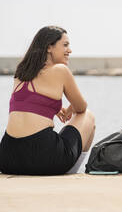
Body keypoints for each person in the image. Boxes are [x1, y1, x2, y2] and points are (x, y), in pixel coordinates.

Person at [0, 26, 95, 175]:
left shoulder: (21, 72)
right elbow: (81, 107)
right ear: (49, 47)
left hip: (7, 157)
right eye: (65, 45)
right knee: (88, 115)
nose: (69, 50)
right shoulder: (60, 70)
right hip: (43, 157)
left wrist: (54, 107)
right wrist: (70, 109)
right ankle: (72, 172)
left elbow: (28, 102)